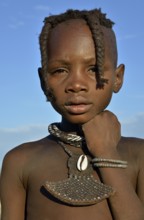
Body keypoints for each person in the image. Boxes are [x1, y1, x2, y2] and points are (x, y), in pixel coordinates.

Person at [0, 8, 144, 220]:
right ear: (43, 81)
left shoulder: (138, 155)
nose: (76, 85)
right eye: (60, 70)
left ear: (118, 78)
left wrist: (106, 152)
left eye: (93, 69)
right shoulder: (20, 161)